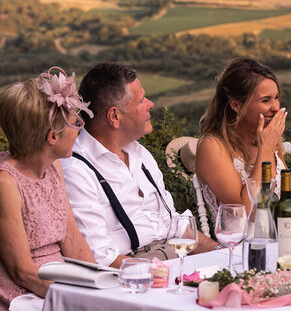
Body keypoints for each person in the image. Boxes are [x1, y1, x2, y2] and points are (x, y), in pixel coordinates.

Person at [61, 63, 217, 268]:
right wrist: (163, 274)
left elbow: (175, 227)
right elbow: (99, 259)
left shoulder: (141, 154)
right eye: (142, 100)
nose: (150, 104)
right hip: (130, 275)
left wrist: (224, 253)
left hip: (174, 261)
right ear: (115, 116)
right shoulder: (77, 170)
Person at [195, 57, 291, 220]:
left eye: (277, 97)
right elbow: (248, 212)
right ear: (236, 105)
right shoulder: (212, 147)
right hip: (241, 244)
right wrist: (265, 149)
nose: (276, 107)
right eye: (265, 100)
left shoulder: (265, 138)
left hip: (280, 238)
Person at [0, 68, 95, 311]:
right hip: (27, 295)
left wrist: (100, 285)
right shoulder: (6, 183)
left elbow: (72, 239)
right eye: (75, 124)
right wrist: (75, 299)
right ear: (52, 137)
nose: (78, 131)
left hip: (61, 282)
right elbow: (22, 273)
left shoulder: (54, 167)